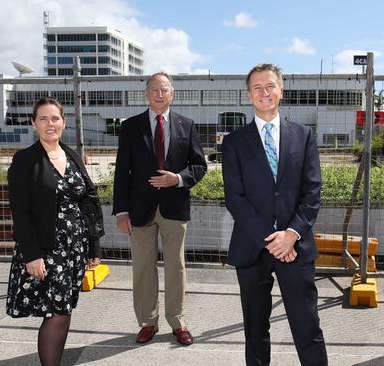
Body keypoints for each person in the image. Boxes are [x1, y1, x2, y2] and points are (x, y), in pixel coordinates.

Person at [222, 64, 328, 366]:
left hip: (295, 246)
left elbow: (313, 191)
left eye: (270, 86)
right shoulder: (234, 142)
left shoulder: (304, 136)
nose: (264, 92)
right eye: (257, 87)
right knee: (255, 329)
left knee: (307, 326)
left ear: (281, 90)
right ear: (248, 95)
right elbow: (235, 198)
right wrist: (271, 239)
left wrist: (291, 235)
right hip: (252, 247)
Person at [6, 96, 105, 366]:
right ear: (33, 123)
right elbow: (21, 212)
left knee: (63, 310)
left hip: (73, 249)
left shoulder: (72, 155)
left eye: (55, 118)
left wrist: (93, 247)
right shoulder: (25, 159)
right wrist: (32, 255)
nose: (50, 124)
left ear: (63, 122)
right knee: (57, 313)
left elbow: (87, 202)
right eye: (43, 119)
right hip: (45, 249)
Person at [113, 72, 207, 346]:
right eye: (154, 89)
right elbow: (122, 172)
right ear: (147, 93)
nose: (159, 94)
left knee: (175, 266)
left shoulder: (186, 125)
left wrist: (176, 179)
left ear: (172, 93)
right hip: (139, 208)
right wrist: (121, 211)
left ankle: (177, 321)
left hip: (174, 207)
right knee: (143, 267)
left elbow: (199, 166)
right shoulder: (131, 127)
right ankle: (147, 322)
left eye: (164, 89)